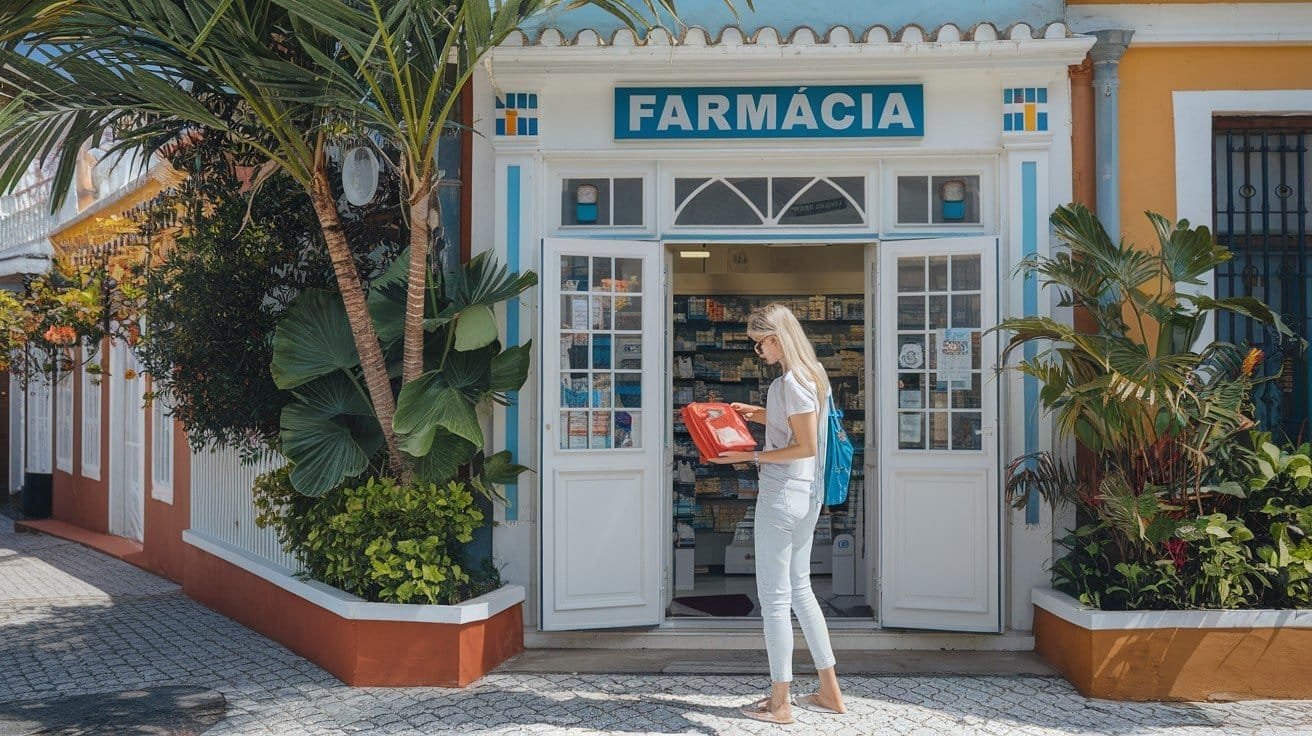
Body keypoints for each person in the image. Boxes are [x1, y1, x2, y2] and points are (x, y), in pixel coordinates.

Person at [709, 303, 847, 725]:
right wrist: (757, 415)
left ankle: (781, 703)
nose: (758, 351)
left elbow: (802, 445)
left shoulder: (790, 381)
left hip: (783, 494)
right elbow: (802, 428)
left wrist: (750, 456)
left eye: (761, 342)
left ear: (778, 338)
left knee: (775, 600)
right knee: (801, 592)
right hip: (808, 495)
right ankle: (829, 691)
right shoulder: (813, 375)